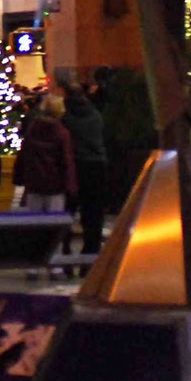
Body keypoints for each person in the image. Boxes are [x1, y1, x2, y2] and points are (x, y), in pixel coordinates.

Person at [61, 85, 107, 267]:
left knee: (66, 213)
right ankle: (90, 258)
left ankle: (65, 255)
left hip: (73, 168)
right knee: (93, 215)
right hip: (96, 166)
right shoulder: (95, 115)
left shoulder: (65, 118)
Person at [14, 94, 76, 213]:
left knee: (35, 221)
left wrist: (19, 176)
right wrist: (70, 186)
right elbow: (66, 161)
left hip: (34, 183)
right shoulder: (62, 133)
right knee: (54, 222)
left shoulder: (33, 129)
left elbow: (24, 153)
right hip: (55, 186)